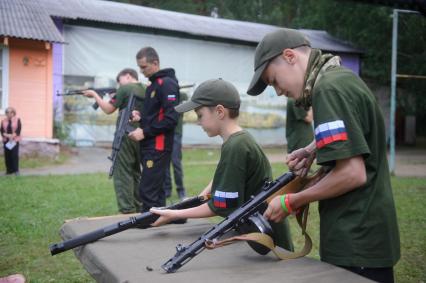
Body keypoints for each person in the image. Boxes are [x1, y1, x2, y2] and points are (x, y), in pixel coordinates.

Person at [247, 28, 400, 283]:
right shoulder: (339, 78)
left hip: (356, 241)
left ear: (289, 56)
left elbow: (352, 173)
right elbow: (357, 131)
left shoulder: (327, 90)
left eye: (273, 80)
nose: (278, 91)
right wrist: (313, 149)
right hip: (367, 235)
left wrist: (291, 201)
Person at [150, 78, 294, 251]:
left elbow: (219, 206)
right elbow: (224, 175)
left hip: (268, 242)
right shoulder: (238, 140)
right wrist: (198, 198)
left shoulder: (236, 146)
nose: (198, 122)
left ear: (219, 111)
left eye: (200, 115)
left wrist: (173, 214)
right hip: (259, 235)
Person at [83, 68, 145, 214]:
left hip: (125, 134)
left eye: (120, 81)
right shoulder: (145, 89)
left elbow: (108, 109)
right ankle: (138, 206)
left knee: (122, 171)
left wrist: (95, 95)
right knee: (136, 172)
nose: (119, 84)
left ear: (128, 76)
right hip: (141, 134)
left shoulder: (125, 89)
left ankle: (127, 210)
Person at [129, 47, 179, 212]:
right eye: (139, 67)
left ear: (155, 63)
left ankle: (147, 223)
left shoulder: (167, 84)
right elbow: (156, 116)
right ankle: (170, 218)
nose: (141, 71)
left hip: (158, 146)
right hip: (150, 145)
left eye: (144, 67)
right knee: (156, 190)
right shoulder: (153, 85)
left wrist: (144, 131)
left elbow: (171, 118)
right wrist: (141, 118)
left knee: (147, 190)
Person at [163, 91, 188, 200]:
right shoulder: (164, 94)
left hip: (176, 133)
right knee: (165, 163)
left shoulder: (181, 95)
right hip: (164, 133)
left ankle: (181, 190)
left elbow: (181, 109)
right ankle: (167, 190)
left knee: (176, 162)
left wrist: (173, 92)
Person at [1, 107, 22, 175]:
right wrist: (8, 136)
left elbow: (18, 130)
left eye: (11, 112)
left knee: (14, 155)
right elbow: (2, 131)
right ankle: (9, 171)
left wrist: (12, 136)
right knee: (7, 155)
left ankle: (16, 170)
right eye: (7, 112)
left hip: (14, 140)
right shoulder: (3, 121)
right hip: (6, 140)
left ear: (13, 113)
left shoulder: (17, 120)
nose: (9, 114)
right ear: (6, 113)